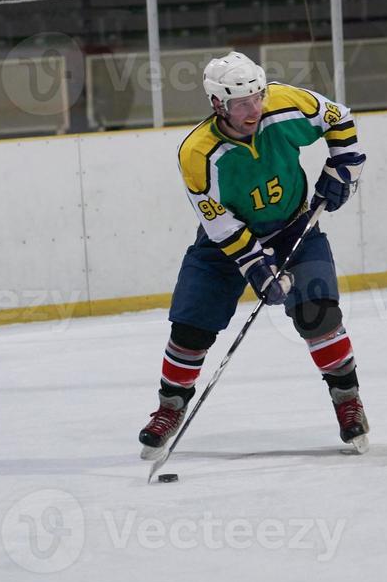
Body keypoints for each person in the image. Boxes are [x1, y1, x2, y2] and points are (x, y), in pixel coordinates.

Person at [138, 51, 369, 457]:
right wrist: (257, 269)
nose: (254, 109)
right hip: (224, 244)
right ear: (217, 105)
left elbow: (338, 117)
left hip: (296, 225)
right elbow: (220, 223)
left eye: (257, 97)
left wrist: (344, 165)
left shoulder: (285, 103)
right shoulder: (197, 153)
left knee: (319, 315)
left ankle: (348, 403)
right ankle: (170, 407)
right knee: (190, 327)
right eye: (241, 103)